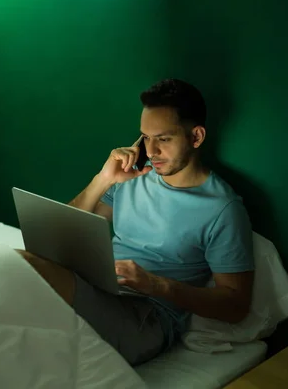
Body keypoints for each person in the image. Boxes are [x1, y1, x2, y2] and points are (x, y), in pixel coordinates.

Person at [18, 78, 254, 366]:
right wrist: (103, 179)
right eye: (145, 137)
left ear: (196, 137)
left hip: (149, 316)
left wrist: (156, 285)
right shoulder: (132, 177)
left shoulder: (222, 208)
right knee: (16, 264)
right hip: (101, 288)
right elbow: (59, 231)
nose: (152, 151)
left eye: (164, 139)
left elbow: (236, 305)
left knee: (27, 270)